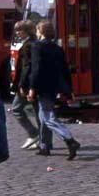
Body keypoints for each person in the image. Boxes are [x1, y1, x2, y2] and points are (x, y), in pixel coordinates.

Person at [26, 21, 80, 160]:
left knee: (48, 117)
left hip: (42, 86)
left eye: (37, 30)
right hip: (54, 86)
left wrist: (32, 87)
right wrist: (69, 91)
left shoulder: (37, 46)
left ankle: (70, 140)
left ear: (41, 32)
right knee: (43, 116)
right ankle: (44, 146)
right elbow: (65, 71)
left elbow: (36, 69)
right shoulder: (58, 49)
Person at [10, 20, 40, 150]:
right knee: (37, 111)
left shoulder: (29, 45)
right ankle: (42, 139)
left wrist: (22, 85)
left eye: (20, 31)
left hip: (26, 84)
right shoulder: (30, 43)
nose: (17, 33)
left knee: (16, 109)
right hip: (28, 83)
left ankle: (34, 134)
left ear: (27, 31)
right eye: (16, 31)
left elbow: (26, 67)